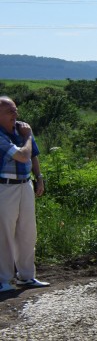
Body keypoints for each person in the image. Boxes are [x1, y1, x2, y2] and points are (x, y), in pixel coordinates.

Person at [0, 96, 49, 292]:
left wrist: (39, 177)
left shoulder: (21, 128)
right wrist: (28, 136)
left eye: (15, 110)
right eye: (9, 111)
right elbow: (23, 155)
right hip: (5, 187)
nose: (15, 114)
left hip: (24, 184)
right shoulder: (14, 133)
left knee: (28, 231)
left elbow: (33, 155)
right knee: (4, 233)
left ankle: (26, 277)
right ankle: (3, 280)